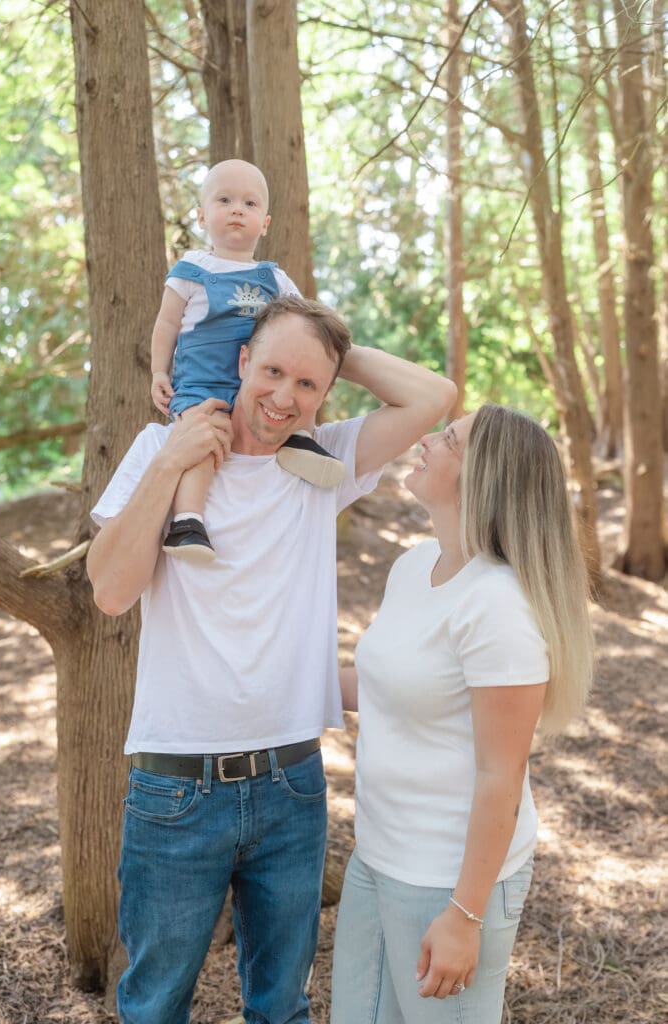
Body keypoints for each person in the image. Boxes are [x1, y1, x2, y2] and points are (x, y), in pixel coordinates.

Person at [86, 294, 457, 1024]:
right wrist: (172, 465)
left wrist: (324, 345)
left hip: (292, 783)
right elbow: (109, 591)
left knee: (282, 1007)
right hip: (175, 787)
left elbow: (434, 396)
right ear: (241, 359)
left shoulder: (322, 465)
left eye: (308, 384)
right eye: (273, 370)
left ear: (326, 394)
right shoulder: (156, 448)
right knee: (154, 1006)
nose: (285, 397)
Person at [331, 404, 594, 1024]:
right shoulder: (414, 566)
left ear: (483, 478)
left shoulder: (499, 606)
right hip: (374, 856)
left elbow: (500, 776)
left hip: (449, 884)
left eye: (446, 438)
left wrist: (464, 917)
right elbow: (387, 687)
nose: (425, 440)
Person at [150, 158, 342, 566]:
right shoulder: (191, 271)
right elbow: (166, 324)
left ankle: (303, 442)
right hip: (202, 387)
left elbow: (303, 329)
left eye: (250, 203)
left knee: (290, 392)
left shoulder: (274, 278)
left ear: (265, 222)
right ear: (203, 216)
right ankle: (187, 522)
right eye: (225, 200)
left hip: (255, 385)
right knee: (203, 444)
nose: (238, 209)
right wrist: (158, 371)